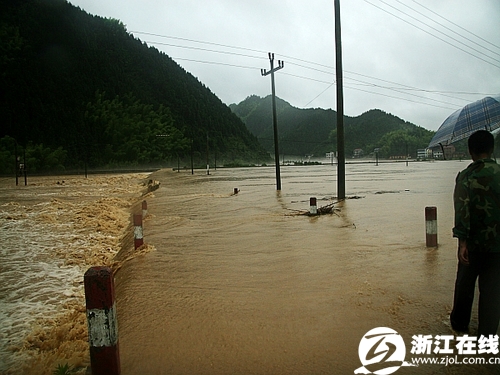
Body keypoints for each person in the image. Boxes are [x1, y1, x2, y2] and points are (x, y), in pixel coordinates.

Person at [450, 130, 500, 337]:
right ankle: (487, 335)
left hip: (472, 244)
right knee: (492, 291)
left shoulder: (466, 176)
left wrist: (462, 243)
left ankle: (459, 327)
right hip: (497, 246)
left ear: (471, 151)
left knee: (464, 286)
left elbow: (462, 210)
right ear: (492, 149)